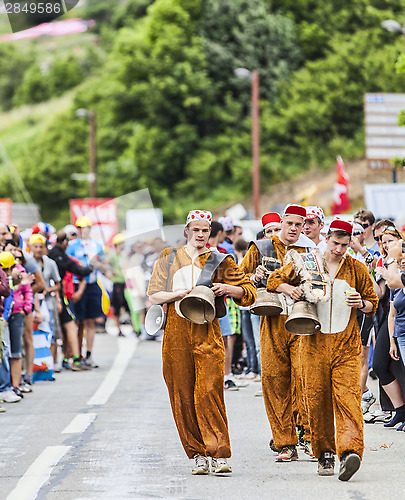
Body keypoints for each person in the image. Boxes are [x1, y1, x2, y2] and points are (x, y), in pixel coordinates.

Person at [147, 210, 256, 475]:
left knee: (209, 391)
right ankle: (197, 454)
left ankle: (218, 454)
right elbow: (153, 294)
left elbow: (248, 293)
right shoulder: (169, 257)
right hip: (176, 334)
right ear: (186, 231)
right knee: (181, 394)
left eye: (205, 230)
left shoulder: (220, 260)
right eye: (195, 230)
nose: (200, 234)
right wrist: (176, 294)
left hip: (208, 334)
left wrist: (228, 289)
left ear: (211, 233)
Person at [269, 219, 378, 480]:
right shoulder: (307, 261)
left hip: (346, 346)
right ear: (326, 237)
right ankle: (324, 453)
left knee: (349, 399)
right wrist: (291, 289)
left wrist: (360, 302)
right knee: (316, 401)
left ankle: (350, 452)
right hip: (312, 343)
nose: (339, 249)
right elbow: (274, 280)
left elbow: (373, 302)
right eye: (335, 243)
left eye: (344, 244)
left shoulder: (356, 268)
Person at [239, 204, 316, 462]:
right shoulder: (261, 248)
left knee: (305, 378)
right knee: (274, 379)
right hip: (272, 320)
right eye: (290, 224)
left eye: (299, 224)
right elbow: (237, 278)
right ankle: (285, 443)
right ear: (282, 222)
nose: (294, 229)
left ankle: (308, 435)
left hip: (303, 319)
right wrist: (253, 275)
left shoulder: (309, 249)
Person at [48, 230, 93, 370]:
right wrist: (91, 266)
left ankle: (62, 360)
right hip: (58, 296)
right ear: (65, 242)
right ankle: (74, 359)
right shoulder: (60, 257)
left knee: (62, 329)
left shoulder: (53, 254)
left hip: (58, 296)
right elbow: (80, 271)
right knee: (69, 327)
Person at [66, 216, 105, 368]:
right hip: (76, 284)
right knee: (77, 321)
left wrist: (97, 263)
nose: (82, 230)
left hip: (92, 283)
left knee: (91, 321)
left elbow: (103, 263)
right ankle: (76, 354)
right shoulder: (72, 246)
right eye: (79, 228)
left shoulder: (97, 245)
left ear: (90, 228)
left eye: (85, 227)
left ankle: (88, 354)